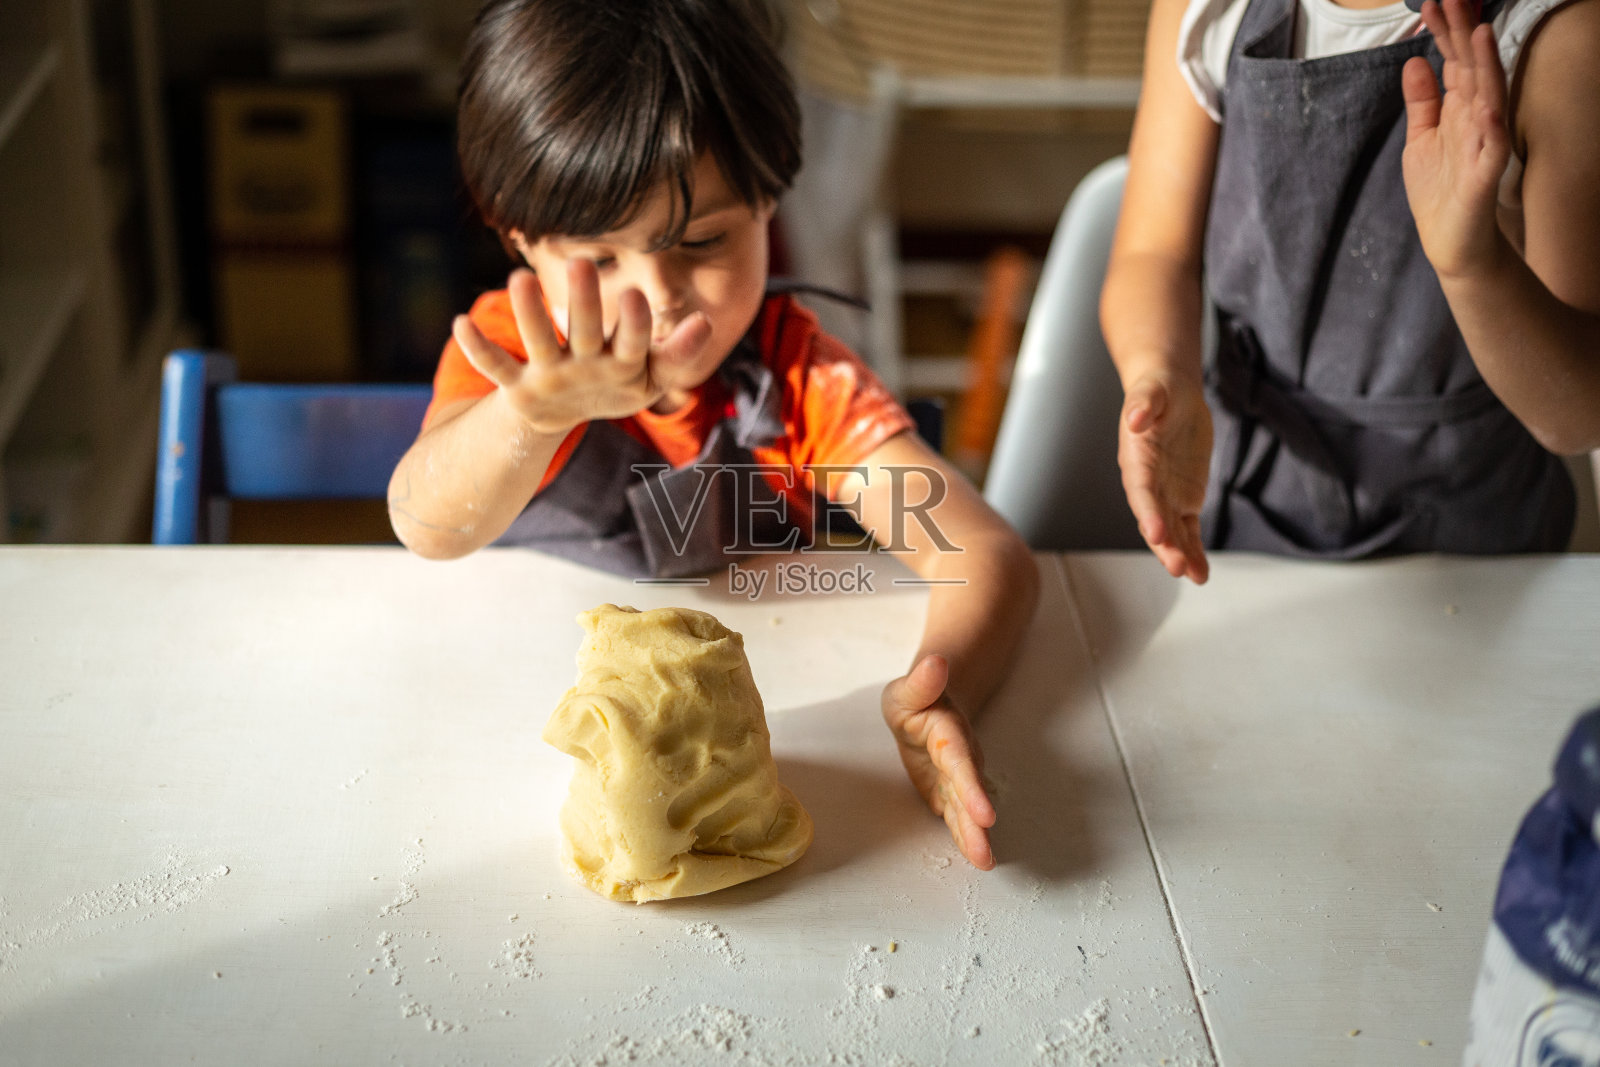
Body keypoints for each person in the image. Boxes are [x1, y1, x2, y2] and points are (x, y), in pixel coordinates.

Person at [386, 0, 1038, 870]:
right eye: (601, 258)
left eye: (702, 240)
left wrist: (942, 688)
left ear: (770, 195)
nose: (659, 297)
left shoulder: (799, 380)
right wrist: (532, 416)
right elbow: (429, 526)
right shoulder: (518, 357)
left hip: (756, 744)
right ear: (520, 236)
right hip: (505, 749)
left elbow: (983, 551)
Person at [1102, 0, 1600, 582]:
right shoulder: (1206, 10)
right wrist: (1159, 374)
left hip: (1479, 551)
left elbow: (1577, 416)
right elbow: (1153, 255)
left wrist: (1472, 265)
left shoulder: (1562, 44)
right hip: (1246, 511)